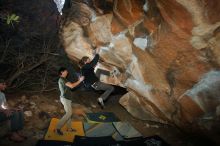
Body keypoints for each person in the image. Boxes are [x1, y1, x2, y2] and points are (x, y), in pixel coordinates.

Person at [55, 67, 84, 135]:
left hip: (67, 99)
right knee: (69, 113)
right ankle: (57, 128)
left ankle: (69, 128)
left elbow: (71, 86)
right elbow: (72, 86)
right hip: (65, 99)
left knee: (69, 113)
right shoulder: (62, 79)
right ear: (62, 72)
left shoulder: (64, 79)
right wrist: (80, 80)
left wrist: (78, 80)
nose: (67, 72)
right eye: (66, 71)